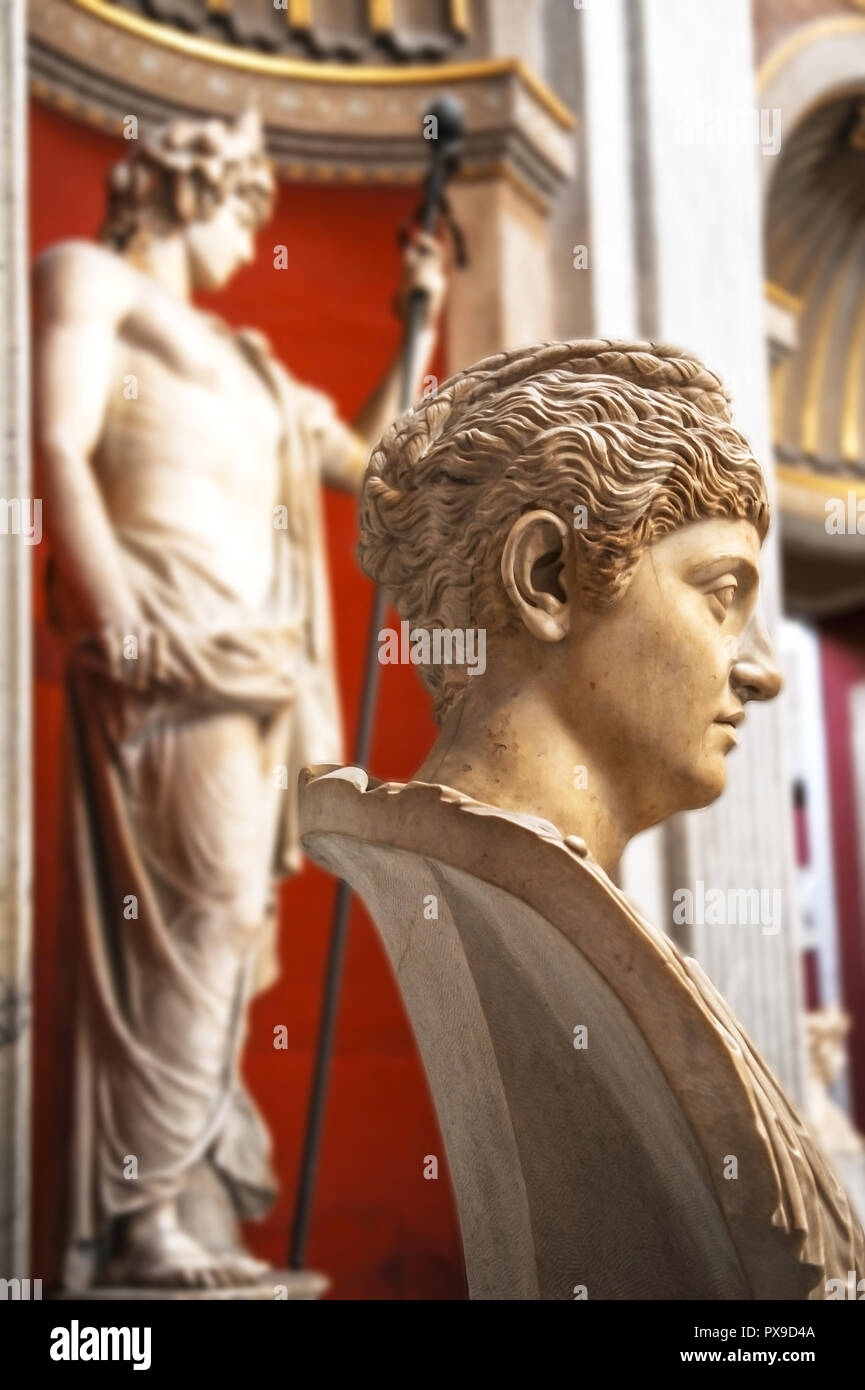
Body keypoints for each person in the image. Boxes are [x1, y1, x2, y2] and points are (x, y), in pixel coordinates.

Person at [300, 339, 865, 1298]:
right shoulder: (492, 894)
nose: (762, 669)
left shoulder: (564, 904)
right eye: (723, 595)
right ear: (550, 577)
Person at [34, 108, 445, 1290]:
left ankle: (181, 1212)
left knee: (219, 923)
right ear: (181, 188)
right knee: (186, 915)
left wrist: (410, 323)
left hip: (252, 666)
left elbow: (368, 464)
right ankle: (140, 1222)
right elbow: (57, 444)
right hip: (161, 651)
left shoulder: (250, 362)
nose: (254, 230)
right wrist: (116, 613)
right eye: (245, 204)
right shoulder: (91, 279)